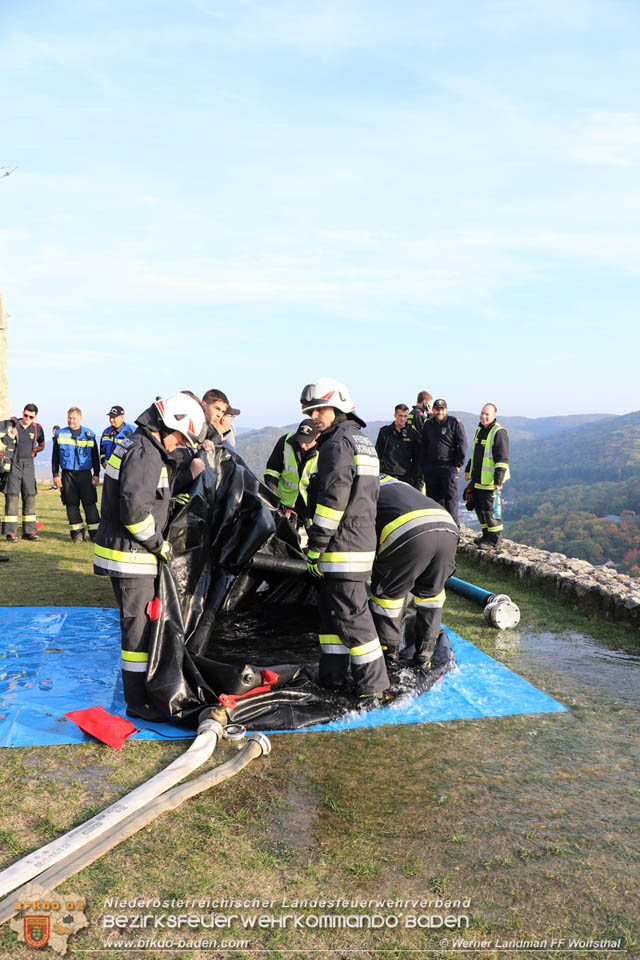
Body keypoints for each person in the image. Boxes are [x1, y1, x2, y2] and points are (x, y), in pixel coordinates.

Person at [93, 392, 207, 719]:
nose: (179, 444)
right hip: (132, 556)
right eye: (180, 437)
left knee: (138, 626)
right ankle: (138, 702)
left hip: (127, 554)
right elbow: (133, 510)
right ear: (166, 425)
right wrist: (159, 544)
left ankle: (140, 694)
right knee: (137, 631)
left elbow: (156, 493)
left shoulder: (140, 445)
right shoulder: (145, 453)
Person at [301, 377, 389, 704]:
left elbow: (332, 501)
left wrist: (315, 547)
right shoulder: (360, 441)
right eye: (310, 411)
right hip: (357, 543)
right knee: (331, 618)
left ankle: (374, 687)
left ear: (338, 407)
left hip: (342, 549)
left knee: (353, 621)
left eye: (320, 409)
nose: (314, 416)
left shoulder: (337, 445)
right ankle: (332, 676)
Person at [370, 475, 459, 667]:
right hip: (448, 528)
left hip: (408, 532)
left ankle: (389, 657)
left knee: (387, 597)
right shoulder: (395, 482)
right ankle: (425, 656)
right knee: (432, 596)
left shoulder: (360, 488)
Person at [464, 402, 510, 549]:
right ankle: (485, 536)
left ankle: (494, 541)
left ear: (494, 415)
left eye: (487, 414)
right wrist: (468, 469)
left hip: (490, 482)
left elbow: (502, 459)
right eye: (482, 413)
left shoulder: (499, 432)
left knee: (491, 512)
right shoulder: (480, 430)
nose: (483, 416)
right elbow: (475, 454)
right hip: (478, 480)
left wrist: (498, 481)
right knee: (478, 508)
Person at [52, 407, 101, 542]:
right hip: (67, 475)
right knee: (71, 505)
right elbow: (55, 456)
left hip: (85, 474)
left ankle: (95, 533)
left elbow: (95, 456)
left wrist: (96, 473)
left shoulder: (89, 434)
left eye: (73, 418)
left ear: (80, 418)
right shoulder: (60, 434)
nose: (71, 421)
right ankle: (77, 534)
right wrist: (55, 474)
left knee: (90, 504)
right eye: (69, 418)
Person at [0, 404, 45, 541]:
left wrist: (35, 450)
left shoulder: (37, 429)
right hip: (14, 464)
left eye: (31, 417)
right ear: (22, 413)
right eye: (25, 415)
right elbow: (2, 443)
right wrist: (10, 435)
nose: (27, 418)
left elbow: (42, 445)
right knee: (12, 496)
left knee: (30, 496)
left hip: (29, 465)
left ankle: (29, 532)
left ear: (35, 417)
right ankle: (10, 532)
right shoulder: (13, 426)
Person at [264, 418, 320, 524]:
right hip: (286, 504)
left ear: (317, 436)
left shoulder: (325, 448)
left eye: (307, 442)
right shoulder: (285, 442)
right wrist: (275, 502)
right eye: (300, 440)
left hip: (311, 507)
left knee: (313, 539)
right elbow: (271, 472)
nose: (303, 445)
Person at [421, 399, 468, 525]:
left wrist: (458, 464)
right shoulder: (428, 425)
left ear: (446, 410)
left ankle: (454, 532)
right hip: (431, 468)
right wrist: (425, 466)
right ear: (433, 410)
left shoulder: (454, 423)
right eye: (437, 409)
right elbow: (423, 446)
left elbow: (463, 445)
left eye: (442, 409)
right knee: (433, 501)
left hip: (449, 467)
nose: (439, 412)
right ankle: (437, 529)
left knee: (451, 501)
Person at [375, 404, 422, 487]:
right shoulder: (385, 432)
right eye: (400, 416)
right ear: (395, 415)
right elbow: (378, 454)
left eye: (405, 416)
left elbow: (417, 459)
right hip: (387, 476)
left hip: (406, 477)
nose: (403, 419)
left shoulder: (413, 434)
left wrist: (415, 479)